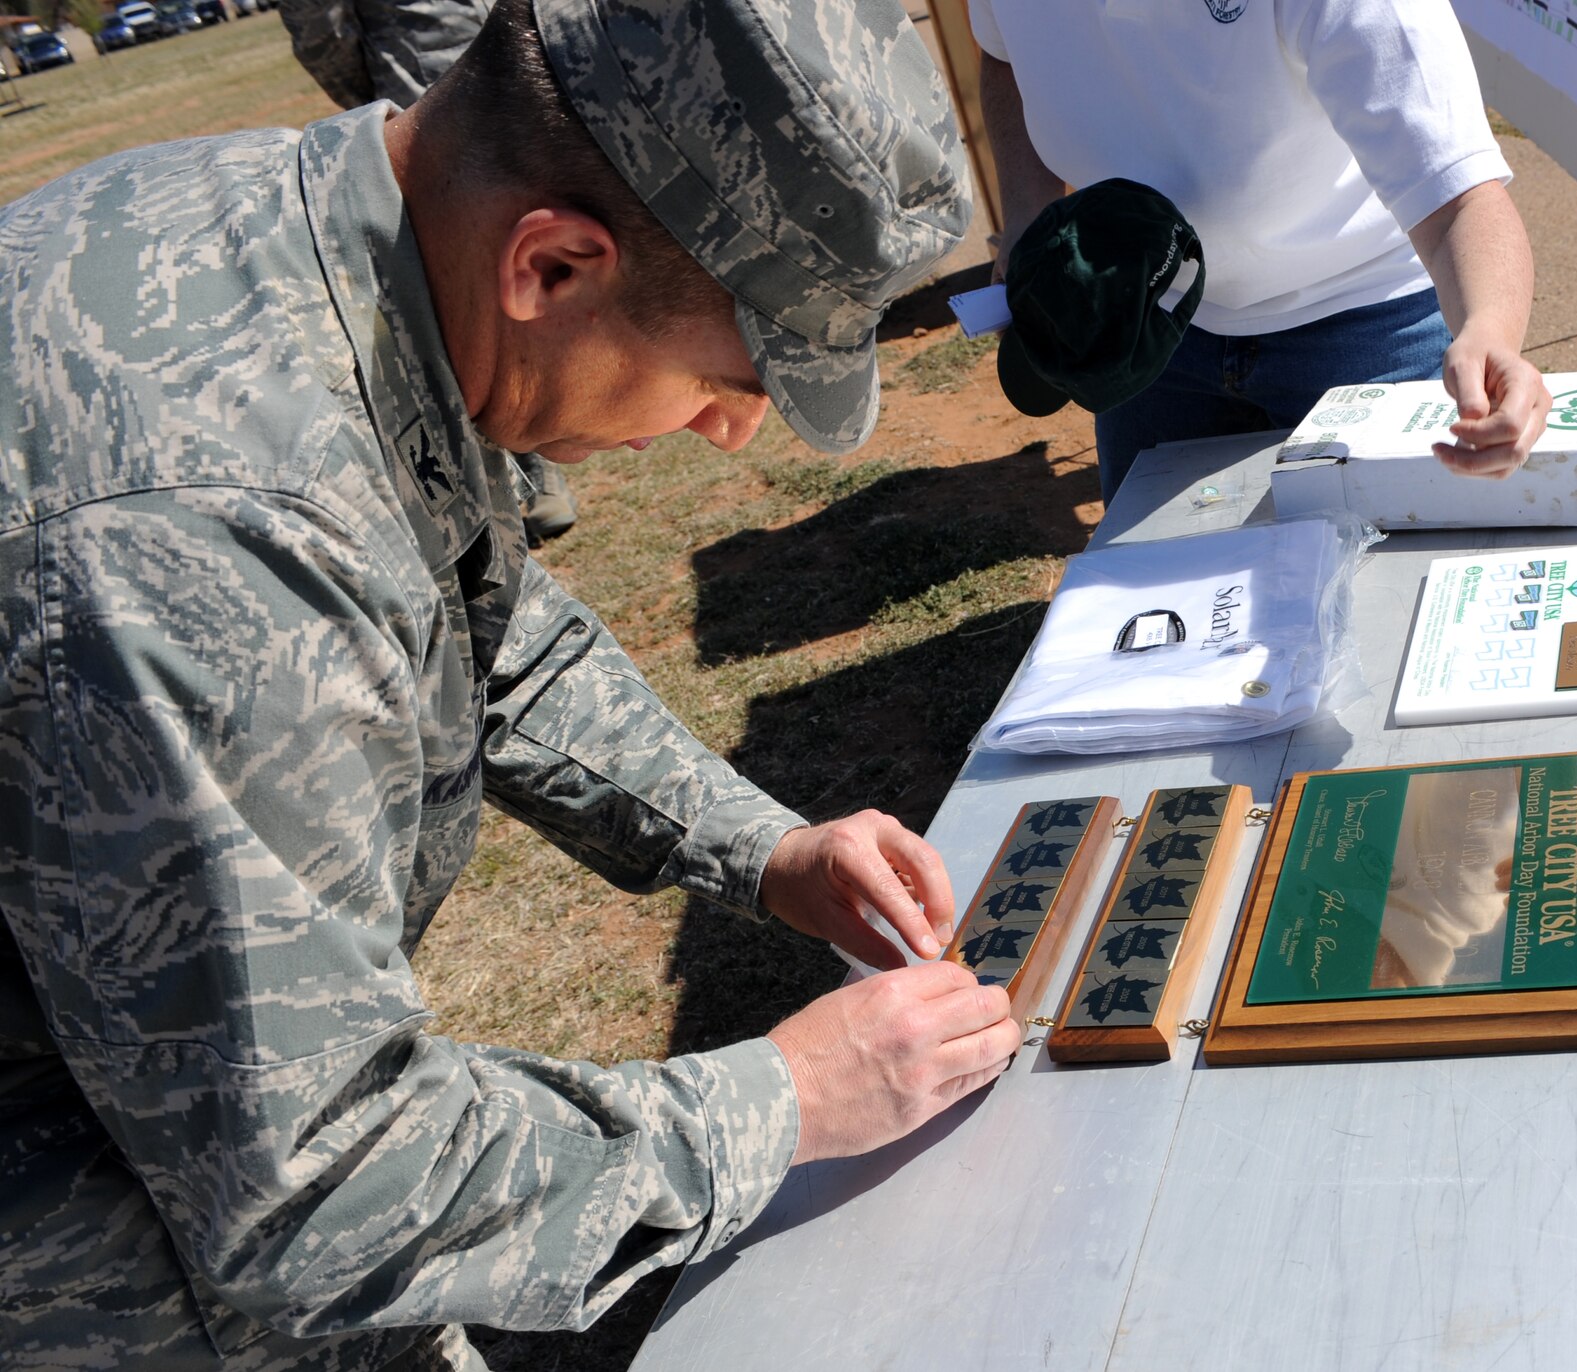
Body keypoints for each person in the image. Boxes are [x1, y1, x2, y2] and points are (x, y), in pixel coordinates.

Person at [0, 0, 1020, 1367]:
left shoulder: (353, 250)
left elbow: (481, 626)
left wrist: (766, 849)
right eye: (728, 371)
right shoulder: (220, 537)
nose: (731, 431)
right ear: (550, 266)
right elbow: (313, 1192)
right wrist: (782, 1103)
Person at [973, 0, 1554, 496]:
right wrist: (1026, 213)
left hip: (1364, 321)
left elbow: (1459, 199)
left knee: (1386, 586)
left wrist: (1489, 332)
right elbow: (1002, 54)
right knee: (1161, 589)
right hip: (1146, 317)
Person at [276, 0, 581, 545]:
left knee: (532, 284)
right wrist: (387, 116)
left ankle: (533, 468)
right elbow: (318, 26)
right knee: (454, 311)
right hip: (433, 113)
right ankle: (502, 492)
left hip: (523, 91)